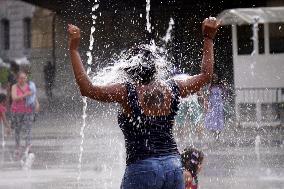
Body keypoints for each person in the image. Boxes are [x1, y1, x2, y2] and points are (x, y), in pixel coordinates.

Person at [68, 17, 220, 189]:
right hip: (173, 166)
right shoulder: (172, 88)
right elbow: (205, 77)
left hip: (143, 168)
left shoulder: (127, 92)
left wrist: (74, 49)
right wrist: (208, 38)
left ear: (129, 69)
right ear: (155, 68)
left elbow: (88, 89)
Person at [10, 70, 35, 157]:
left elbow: (33, 96)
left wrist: (37, 104)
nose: (23, 80)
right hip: (16, 111)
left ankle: (28, 147)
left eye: (24, 78)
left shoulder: (30, 86)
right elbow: (14, 98)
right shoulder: (14, 87)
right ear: (17, 79)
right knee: (17, 130)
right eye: (21, 78)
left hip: (28, 111)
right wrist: (25, 95)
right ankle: (17, 148)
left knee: (28, 129)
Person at [204, 73, 224, 140]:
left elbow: (224, 95)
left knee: (219, 121)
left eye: (216, 78)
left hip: (219, 106)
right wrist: (207, 105)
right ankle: (214, 135)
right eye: (213, 78)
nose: (215, 79)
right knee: (212, 120)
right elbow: (206, 97)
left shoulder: (220, 86)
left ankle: (218, 136)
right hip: (212, 106)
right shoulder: (210, 87)